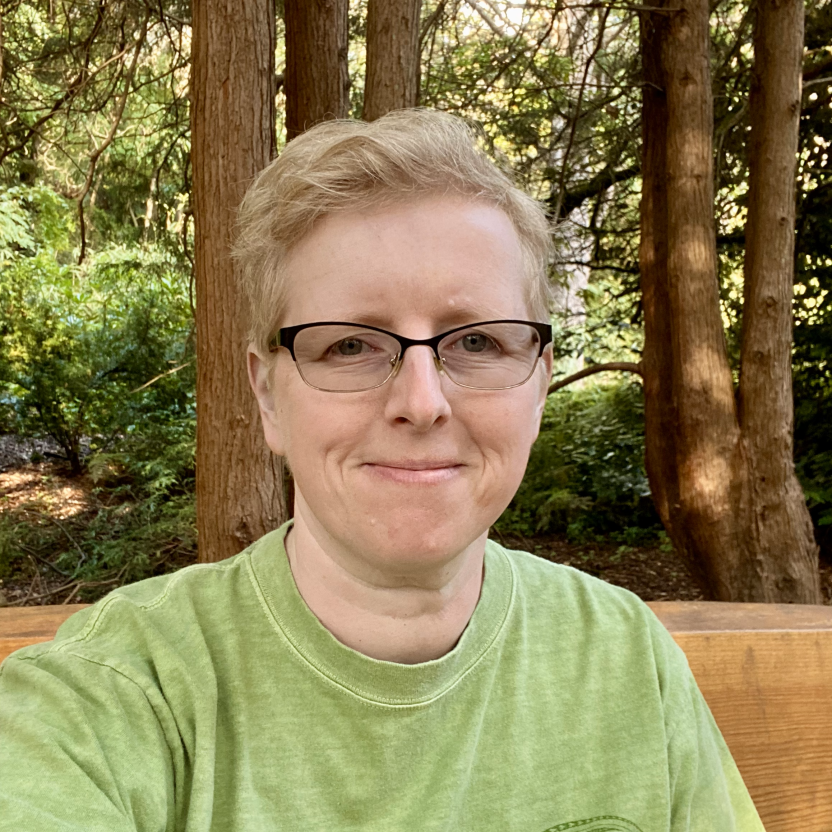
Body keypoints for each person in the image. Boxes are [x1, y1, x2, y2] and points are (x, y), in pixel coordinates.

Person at [0, 109, 764, 832]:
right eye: (350, 346)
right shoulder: (111, 700)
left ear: (538, 383)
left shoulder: (627, 659)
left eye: (477, 342)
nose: (422, 403)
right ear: (267, 395)